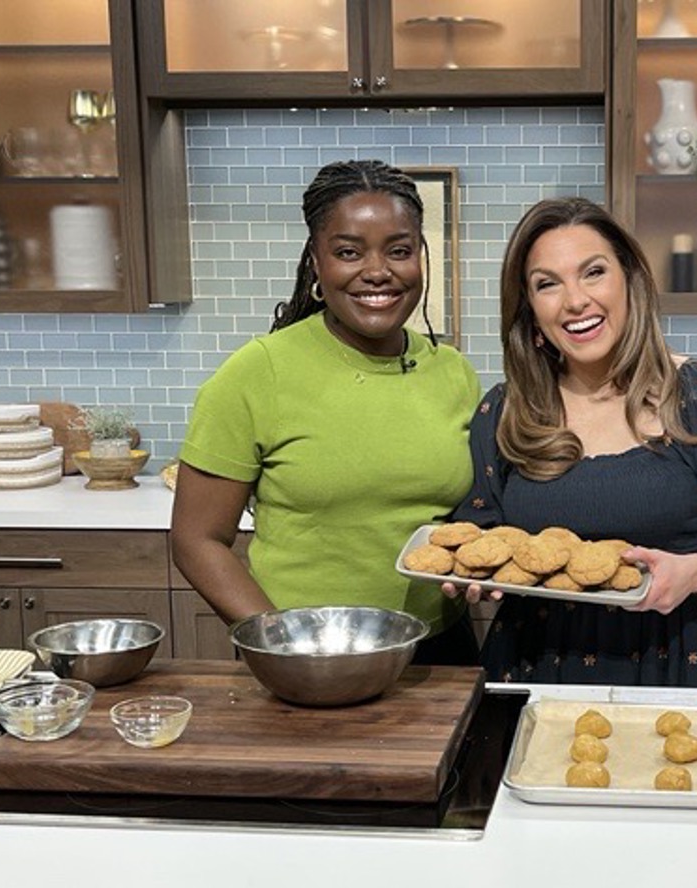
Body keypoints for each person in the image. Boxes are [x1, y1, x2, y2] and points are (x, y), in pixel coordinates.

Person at [453, 197, 697, 685]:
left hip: (667, 665)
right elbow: (483, 540)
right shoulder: (506, 410)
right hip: (529, 670)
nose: (574, 301)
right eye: (548, 284)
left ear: (629, 279)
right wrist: (474, 580)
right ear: (530, 307)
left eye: (593, 273)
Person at [171, 160, 482, 665]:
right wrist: (278, 640)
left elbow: (466, 519)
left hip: (440, 652)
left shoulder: (453, 373)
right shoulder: (257, 373)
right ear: (316, 261)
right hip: (302, 654)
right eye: (348, 252)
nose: (378, 270)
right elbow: (196, 540)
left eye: (399, 251)